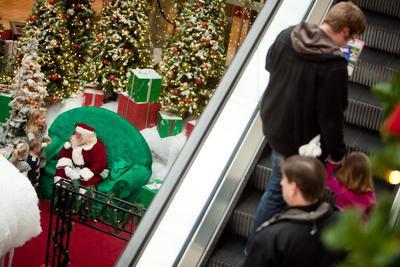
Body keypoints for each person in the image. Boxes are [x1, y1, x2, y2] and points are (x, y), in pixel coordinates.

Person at [246, 1, 367, 253]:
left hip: (273, 124)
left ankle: (267, 246)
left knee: (279, 189)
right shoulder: (333, 67)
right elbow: (331, 118)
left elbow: (270, 65)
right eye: (352, 37)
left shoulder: (288, 34)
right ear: (344, 31)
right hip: (299, 143)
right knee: (278, 194)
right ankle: (257, 250)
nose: (350, 43)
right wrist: (336, 153)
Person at [244, 155, 343, 267]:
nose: (281, 183)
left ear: (293, 189)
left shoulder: (272, 237)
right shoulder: (343, 222)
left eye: (284, 179)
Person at [54, 123, 107, 188]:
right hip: (74, 167)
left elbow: (99, 165)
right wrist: (67, 168)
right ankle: (65, 192)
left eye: (79, 134)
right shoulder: (74, 139)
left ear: (86, 136)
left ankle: (80, 197)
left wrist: (80, 174)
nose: (76, 135)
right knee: (61, 172)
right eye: (76, 132)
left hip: (90, 170)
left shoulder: (97, 145)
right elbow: (64, 154)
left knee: (88, 181)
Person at [326, 152, 376, 217]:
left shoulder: (342, 189)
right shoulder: (370, 194)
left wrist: (333, 163)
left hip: (341, 219)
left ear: (346, 170)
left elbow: (326, 178)